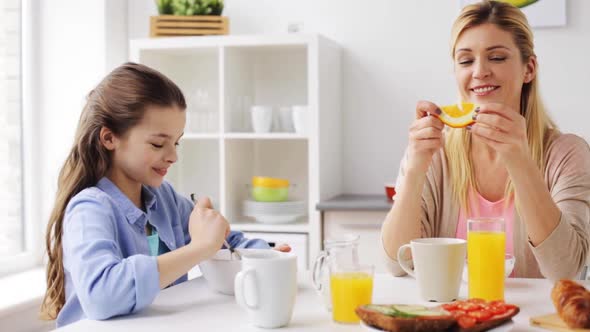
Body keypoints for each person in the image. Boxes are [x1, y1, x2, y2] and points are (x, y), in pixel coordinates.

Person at [40, 62, 290, 327]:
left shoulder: (164, 199)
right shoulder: (89, 208)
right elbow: (102, 296)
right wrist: (201, 247)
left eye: (176, 142)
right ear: (109, 138)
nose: (173, 156)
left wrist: (266, 256)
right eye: (158, 144)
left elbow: (227, 241)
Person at [381, 0, 590, 280]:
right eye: (466, 60)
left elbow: (567, 271)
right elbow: (397, 263)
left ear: (528, 68)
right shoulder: (433, 151)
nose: (479, 71)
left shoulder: (567, 154)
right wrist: (415, 169)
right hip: (456, 320)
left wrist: (520, 161)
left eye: (497, 57)